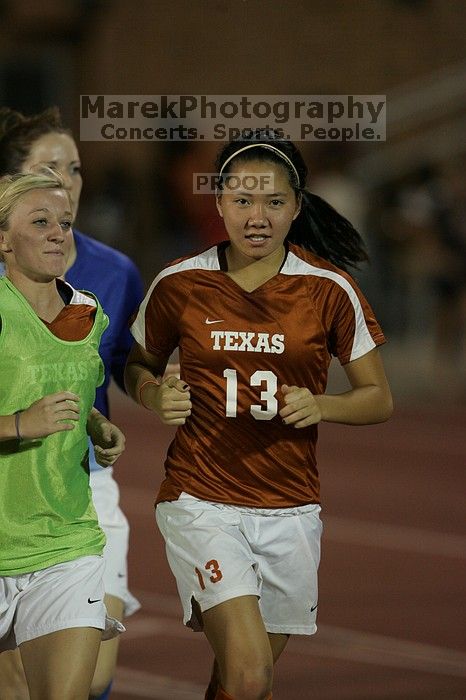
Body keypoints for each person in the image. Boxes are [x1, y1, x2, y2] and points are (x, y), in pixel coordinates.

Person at [124, 133, 393, 700]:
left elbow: (377, 398)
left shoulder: (328, 289)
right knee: (248, 674)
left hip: (291, 508)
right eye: (242, 199)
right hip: (201, 499)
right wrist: (153, 395)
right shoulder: (180, 282)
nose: (257, 216)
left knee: (242, 682)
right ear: (218, 203)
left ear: (297, 206)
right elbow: (138, 363)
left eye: (274, 201)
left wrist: (323, 404)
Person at [0, 107, 144, 700]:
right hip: (7, 505)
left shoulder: (96, 290)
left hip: (72, 501)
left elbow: (117, 367)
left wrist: (99, 418)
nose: (66, 182)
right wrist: (18, 423)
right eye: (49, 169)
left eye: (76, 169)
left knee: (88, 681)